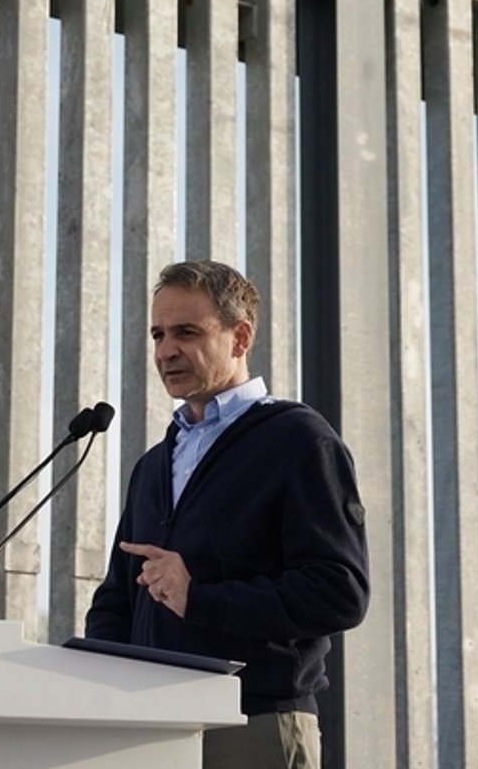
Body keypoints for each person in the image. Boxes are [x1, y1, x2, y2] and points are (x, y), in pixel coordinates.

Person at [86, 260, 369, 769]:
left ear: (240, 338)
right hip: (152, 731)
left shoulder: (299, 441)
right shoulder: (153, 466)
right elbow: (116, 601)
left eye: (186, 332)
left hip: (253, 725)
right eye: (158, 334)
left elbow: (339, 592)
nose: (166, 350)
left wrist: (200, 598)